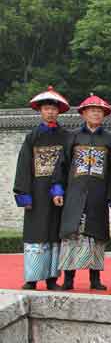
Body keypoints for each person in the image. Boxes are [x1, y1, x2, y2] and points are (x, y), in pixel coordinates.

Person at [55, 94, 111, 291]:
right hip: (75, 193)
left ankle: (95, 279)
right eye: (92, 111)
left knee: (96, 236)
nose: (96, 114)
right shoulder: (72, 137)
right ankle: (68, 279)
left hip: (98, 195)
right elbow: (62, 165)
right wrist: (58, 189)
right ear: (83, 113)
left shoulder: (109, 139)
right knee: (72, 234)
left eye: (99, 111)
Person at [14, 86, 70, 290]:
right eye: (47, 109)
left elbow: (68, 166)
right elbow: (23, 166)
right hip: (36, 194)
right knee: (35, 235)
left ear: (59, 111)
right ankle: (31, 278)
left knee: (55, 235)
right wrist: (24, 194)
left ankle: (52, 279)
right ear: (41, 111)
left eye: (53, 109)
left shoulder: (66, 137)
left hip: (58, 194)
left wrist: (60, 188)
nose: (50, 112)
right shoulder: (32, 137)